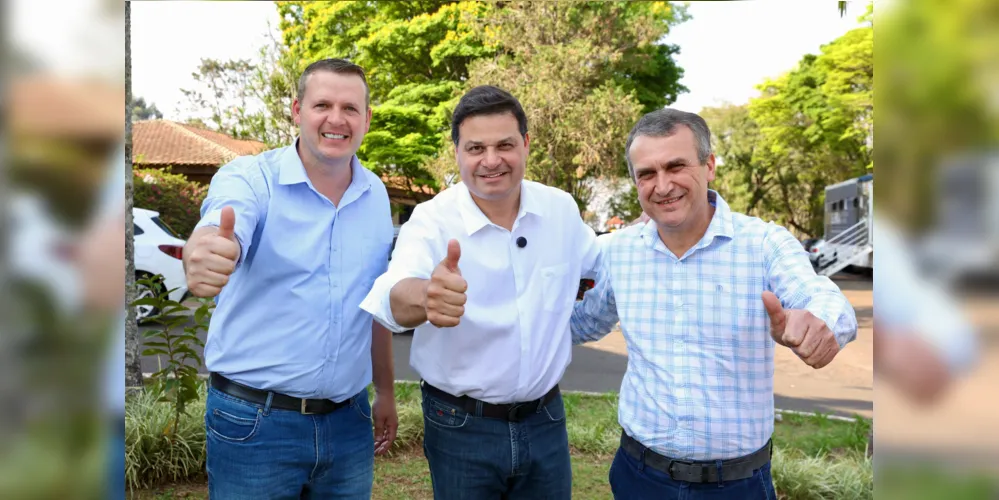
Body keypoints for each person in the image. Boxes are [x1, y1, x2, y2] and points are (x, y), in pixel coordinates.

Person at [571, 108, 859, 499]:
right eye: (647, 174)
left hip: (737, 486)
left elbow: (820, 295)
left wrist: (820, 321)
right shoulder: (618, 253)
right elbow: (583, 322)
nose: (663, 185)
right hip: (639, 478)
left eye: (676, 166)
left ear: (709, 166)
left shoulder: (762, 244)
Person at [360, 85, 600, 499]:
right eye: (475, 148)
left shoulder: (560, 210)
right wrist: (427, 296)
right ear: (457, 152)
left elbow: (602, 267)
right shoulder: (432, 220)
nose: (491, 161)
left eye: (505, 144)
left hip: (546, 419)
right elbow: (392, 294)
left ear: (525, 144)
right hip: (459, 423)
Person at [182, 58, 397, 499]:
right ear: (297, 111)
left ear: (367, 119)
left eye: (350, 108)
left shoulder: (375, 194)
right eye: (322, 105)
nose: (336, 119)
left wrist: (387, 391)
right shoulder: (250, 178)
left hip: (349, 422)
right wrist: (205, 249)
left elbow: (373, 301)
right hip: (254, 423)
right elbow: (224, 224)